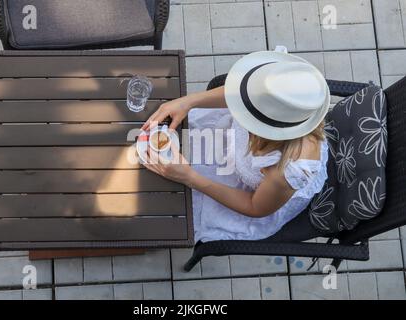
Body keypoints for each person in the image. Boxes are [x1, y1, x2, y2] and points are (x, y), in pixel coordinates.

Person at [141, 50, 330, 242]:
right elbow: (238, 93)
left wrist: (189, 178)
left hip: (245, 194)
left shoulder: (289, 170)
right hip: (225, 137)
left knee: (157, 210)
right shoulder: (282, 87)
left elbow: (254, 207)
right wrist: (188, 102)